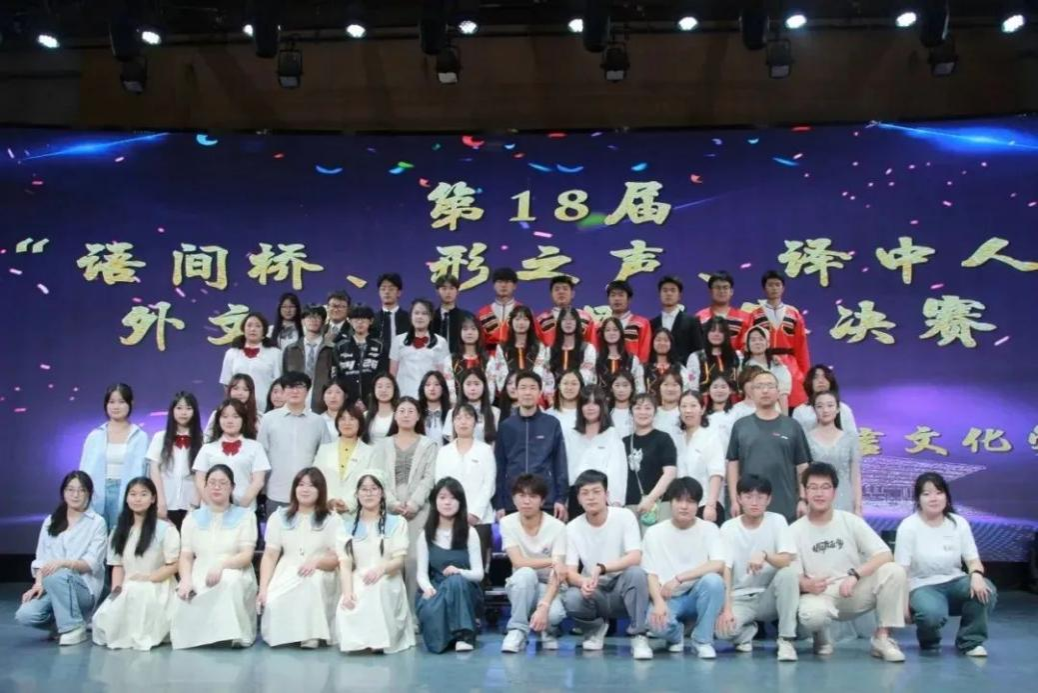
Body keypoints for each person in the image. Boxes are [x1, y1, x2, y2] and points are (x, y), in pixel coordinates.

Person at [792, 462, 907, 662]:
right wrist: (807, 584)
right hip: (820, 594)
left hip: (853, 590)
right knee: (812, 616)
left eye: (825, 487)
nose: (819, 493)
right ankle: (820, 636)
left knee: (894, 571)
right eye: (813, 487)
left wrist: (855, 575)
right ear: (805, 492)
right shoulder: (794, 530)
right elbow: (795, 576)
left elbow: (884, 554)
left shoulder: (850, 521)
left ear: (834, 492)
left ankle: (882, 638)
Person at [895, 472, 996, 657]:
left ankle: (970, 642)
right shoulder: (908, 526)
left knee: (985, 591)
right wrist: (902, 607)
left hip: (955, 581)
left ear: (946, 496)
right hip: (922, 586)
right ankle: (929, 641)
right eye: (926, 494)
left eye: (939, 492)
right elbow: (901, 570)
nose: (934, 498)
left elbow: (973, 560)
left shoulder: (959, 523)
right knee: (931, 615)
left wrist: (976, 575)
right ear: (918, 499)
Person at [562, 470, 652, 659]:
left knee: (636, 573)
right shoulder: (572, 528)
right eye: (585, 493)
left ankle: (639, 635)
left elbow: (635, 556)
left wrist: (602, 568)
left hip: (622, 587)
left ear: (607, 495)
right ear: (578, 499)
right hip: (595, 590)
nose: (591, 497)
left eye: (596, 491)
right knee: (571, 597)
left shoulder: (624, 516)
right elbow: (570, 571)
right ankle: (595, 629)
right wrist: (583, 582)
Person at [171, 465, 259, 649]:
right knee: (183, 594)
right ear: (205, 486)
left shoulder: (245, 516)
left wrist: (221, 565)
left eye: (222, 483)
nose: (216, 487)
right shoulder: (192, 518)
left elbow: (246, 555)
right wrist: (185, 579)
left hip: (234, 569)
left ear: (232, 487)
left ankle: (234, 633)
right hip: (200, 570)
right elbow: (186, 556)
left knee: (229, 581)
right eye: (212, 483)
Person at [15, 471, 107, 646]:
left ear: (89, 493)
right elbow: (41, 559)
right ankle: (66, 623)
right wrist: (38, 584)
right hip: (52, 584)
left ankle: (73, 628)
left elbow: (92, 563)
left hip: (83, 589)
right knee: (25, 615)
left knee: (59, 574)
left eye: (81, 490)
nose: (75, 495)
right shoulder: (51, 521)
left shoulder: (97, 522)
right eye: (70, 489)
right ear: (63, 492)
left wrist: (63, 563)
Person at [715, 474, 800, 661]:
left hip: (768, 597)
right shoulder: (729, 527)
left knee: (788, 574)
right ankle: (748, 632)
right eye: (748, 496)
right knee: (722, 632)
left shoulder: (777, 521)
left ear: (768, 499)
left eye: (760, 497)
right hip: (740, 598)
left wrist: (765, 555)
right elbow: (726, 569)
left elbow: (786, 560)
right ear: (739, 498)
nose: (754, 502)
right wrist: (727, 609)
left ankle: (786, 640)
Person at [92, 477, 180, 651]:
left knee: (141, 596)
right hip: (128, 584)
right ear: (126, 498)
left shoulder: (165, 529)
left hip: (157, 584)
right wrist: (116, 591)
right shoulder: (119, 530)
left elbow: (173, 564)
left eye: (143, 494)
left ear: (153, 498)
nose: (137, 499)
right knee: (103, 619)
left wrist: (149, 578)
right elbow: (117, 565)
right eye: (132, 494)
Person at [644, 477, 726, 659]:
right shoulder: (654, 532)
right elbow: (651, 573)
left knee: (714, 581)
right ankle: (677, 635)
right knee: (655, 624)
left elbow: (718, 563)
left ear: (698, 505)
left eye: (690, 501)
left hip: (697, 594)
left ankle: (702, 641)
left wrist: (680, 578)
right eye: (679, 500)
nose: (684, 506)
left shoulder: (709, 529)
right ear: (670, 503)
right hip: (668, 597)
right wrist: (658, 602)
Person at [258, 468, 340, 648]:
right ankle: (288, 634)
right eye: (301, 485)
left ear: (320, 490)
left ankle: (311, 634)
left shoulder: (332, 519)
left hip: (320, 569)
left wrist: (316, 562)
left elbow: (336, 557)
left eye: (311, 485)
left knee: (312, 583)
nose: (305, 489)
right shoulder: (278, 517)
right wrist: (263, 588)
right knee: (273, 600)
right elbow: (270, 555)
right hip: (287, 569)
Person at [336, 472, 416, 654]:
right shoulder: (346, 526)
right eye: (364, 489)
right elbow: (345, 564)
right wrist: (347, 593)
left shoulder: (397, 523)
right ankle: (359, 641)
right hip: (358, 578)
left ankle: (378, 641)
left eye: (374, 488)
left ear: (382, 493)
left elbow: (399, 560)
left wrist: (381, 569)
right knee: (350, 601)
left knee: (376, 590)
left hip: (388, 577)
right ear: (357, 494)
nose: (369, 493)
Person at [371, 397, 439, 607]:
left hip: (419, 509)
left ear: (418, 416)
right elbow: (378, 476)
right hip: (388, 508)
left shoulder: (429, 445)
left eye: (411, 411)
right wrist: (391, 503)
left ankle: (412, 612)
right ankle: (392, 612)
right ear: (395, 415)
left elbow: (429, 477)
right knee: (390, 559)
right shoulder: (383, 445)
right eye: (402, 411)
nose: (406, 415)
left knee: (413, 560)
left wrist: (414, 504)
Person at [726, 371, 811, 523]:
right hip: (749, 505)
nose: (765, 390)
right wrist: (734, 500)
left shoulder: (792, 426)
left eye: (770, 386)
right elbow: (733, 464)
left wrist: (803, 499)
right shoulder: (740, 426)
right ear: (751, 392)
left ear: (778, 392)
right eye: (759, 386)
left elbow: (802, 466)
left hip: (787, 506)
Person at [499, 474, 568, 653]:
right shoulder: (507, 523)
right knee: (525, 573)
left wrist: (544, 606)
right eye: (521, 495)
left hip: (549, 585)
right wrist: (552, 561)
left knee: (554, 614)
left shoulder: (557, 527)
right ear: (513, 499)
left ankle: (549, 630)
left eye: (533, 496)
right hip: (521, 585)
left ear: (542, 500)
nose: (526, 501)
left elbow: (558, 572)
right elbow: (518, 562)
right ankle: (517, 631)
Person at [415, 478, 485, 653]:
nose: (447, 502)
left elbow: (479, 574)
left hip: (465, 590)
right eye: (442, 497)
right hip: (437, 589)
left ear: (460, 502)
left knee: (455, 580)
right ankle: (448, 634)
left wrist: (459, 571)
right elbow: (421, 574)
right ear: (435, 501)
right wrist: (428, 589)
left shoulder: (470, 533)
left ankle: (464, 636)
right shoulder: (425, 535)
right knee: (435, 644)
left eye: (453, 498)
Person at [494, 370, 568, 519]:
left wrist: (560, 498)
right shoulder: (506, 426)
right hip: (513, 500)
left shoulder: (551, 424)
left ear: (540, 392)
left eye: (532, 388)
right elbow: (500, 466)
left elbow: (560, 463)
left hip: (545, 498)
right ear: (516, 391)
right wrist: (499, 503)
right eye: (523, 388)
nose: (527, 392)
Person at [258, 371, 333, 516]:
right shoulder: (268, 419)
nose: (294, 391)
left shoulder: (318, 422)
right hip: (277, 491)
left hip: (310, 493)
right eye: (289, 387)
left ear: (308, 390)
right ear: (283, 391)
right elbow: (262, 455)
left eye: (300, 386)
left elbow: (325, 457)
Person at [79, 383, 149, 529]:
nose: (116, 406)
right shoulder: (95, 435)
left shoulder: (140, 437)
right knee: (96, 534)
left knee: (122, 535)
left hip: (128, 494)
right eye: (111, 402)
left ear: (131, 403)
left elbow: (145, 472)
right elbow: (84, 469)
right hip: (98, 492)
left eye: (121, 402)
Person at [435, 404, 497, 570]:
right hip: (450, 518)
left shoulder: (485, 450)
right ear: (453, 422)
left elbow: (489, 484)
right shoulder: (444, 452)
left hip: (480, 519)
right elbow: (440, 485)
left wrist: (475, 513)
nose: (463, 422)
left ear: (475, 422)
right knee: (453, 566)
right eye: (458, 418)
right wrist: (452, 512)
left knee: (478, 568)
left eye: (468, 417)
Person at [739, 270, 810, 409]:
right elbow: (746, 344)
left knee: (793, 406)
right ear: (764, 288)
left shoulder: (794, 315)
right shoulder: (755, 315)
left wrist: (805, 375)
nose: (774, 288)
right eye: (770, 285)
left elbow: (802, 347)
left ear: (783, 288)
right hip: (762, 364)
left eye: (778, 285)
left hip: (790, 366)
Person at [192, 398, 269, 511]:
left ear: (243, 419)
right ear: (218, 420)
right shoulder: (207, 448)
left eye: (235, 416)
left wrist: (239, 508)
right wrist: (213, 506)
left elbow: (258, 482)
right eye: (224, 416)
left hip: (244, 510)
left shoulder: (256, 447)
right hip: (211, 511)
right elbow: (200, 481)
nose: (229, 421)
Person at [564, 386, 628, 517]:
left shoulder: (611, 434)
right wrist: (564, 501)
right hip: (576, 496)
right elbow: (566, 469)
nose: (590, 408)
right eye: (586, 403)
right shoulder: (572, 434)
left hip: (603, 496)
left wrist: (616, 502)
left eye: (595, 403)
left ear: (602, 406)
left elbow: (618, 470)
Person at [147, 391, 203, 529]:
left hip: (192, 504)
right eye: (179, 408)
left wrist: (194, 505)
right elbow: (154, 470)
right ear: (172, 411)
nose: (183, 412)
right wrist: (160, 501)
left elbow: (203, 474)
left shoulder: (203, 440)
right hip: (165, 502)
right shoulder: (159, 437)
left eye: (188, 408)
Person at [623, 394, 678, 532]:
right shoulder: (624, 442)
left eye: (648, 408)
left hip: (658, 505)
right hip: (630, 506)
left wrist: (650, 499)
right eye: (638, 408)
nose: (643, 412)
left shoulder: (663, 439)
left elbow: (670, 473)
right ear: (631, 412)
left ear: (655, 412)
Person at [806, 392, 862, 515]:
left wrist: (858, 507)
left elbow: (855, 475)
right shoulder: (806, 438)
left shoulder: (851, 438)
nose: (825, 410)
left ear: (837, 409)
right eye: (820, 406)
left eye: (830, 405)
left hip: (844, 499)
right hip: (816, 499)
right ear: (814, 410)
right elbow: (803, 474)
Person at [313, 403, 376, 514]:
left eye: (352, 419)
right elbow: (316, 479)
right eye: (342, 419)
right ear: (337, 423)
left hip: (357, 513)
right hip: (327, 511)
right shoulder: (324, 450)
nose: (347, 423)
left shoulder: (370, 452)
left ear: (360, 423)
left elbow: (371, 484)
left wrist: (348, 504)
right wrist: (330, 501)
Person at [390, 299, 454, 400]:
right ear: (411, 316)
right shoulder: (398, 340)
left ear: (431, 317)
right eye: (416, 313)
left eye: (424, 313)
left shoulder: (440, 342)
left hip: (430, 398)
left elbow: (444, 374)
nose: (420, 317)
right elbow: (392, 373)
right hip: (404, 397)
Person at [219, 311, 282, 413]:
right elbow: (226, 383)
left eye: (258, 326)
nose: (253, 329)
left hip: (265, 408)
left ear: (264, 331)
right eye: (249, 325)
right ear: (243, 329)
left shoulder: (275, 353)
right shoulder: (231, 353)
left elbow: (278, 384)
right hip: (238, 409)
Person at [677, 391, 725, 523]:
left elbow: (716, 473)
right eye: (684, 406)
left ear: (702, 409)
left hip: (705, 505)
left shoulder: (710, 437)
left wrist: (711, 505)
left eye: (693, 406)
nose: (688, 410)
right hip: (683, 506)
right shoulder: (678, 438)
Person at [487, 305, 552, 398]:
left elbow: (541, 372)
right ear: (511, 322)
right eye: (517, 319)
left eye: (525, 319)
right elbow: (501, 375)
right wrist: (512, 393)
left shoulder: (538, 347)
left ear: (531, 323)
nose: (521, 323)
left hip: (533, 395)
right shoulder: (502, 347)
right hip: (509, 396)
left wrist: (530, 392)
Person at [334, 304, 389, 407]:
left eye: (363, 319)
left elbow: (383, 374)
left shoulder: (380, 345)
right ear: (349, 321)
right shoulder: (340, 346)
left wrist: (372, 398)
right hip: (347, 401)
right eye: (356, 319)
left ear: (371, 321)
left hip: (374, 400)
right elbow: (336, 376)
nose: (359, 322)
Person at [282, 304, 334, 410]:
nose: (313, 320)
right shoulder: (291, 349)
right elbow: (284, 377)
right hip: (295, 399)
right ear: (302, 321)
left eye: (317, 317)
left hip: (322, 401)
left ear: (323, 321)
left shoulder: (331, 349)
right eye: (309, 317)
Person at [651, 275, 705, 366]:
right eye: (665, 290)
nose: (669, 294)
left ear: (679, 295)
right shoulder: (652, 323)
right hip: (658, 371)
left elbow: (698, 351)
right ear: (659, 294)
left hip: (686, 371)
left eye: (673, 290)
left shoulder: (692, 321)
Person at [792, 365, 859, 436]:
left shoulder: (843, 408)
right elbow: (796, 438)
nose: (821, 381)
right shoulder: (800, 411)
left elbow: (853, 436)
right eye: (816, 377)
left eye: (825, 377)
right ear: (810, 382)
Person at [534, 275, 597, 346]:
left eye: (565, 289)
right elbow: (535, 346)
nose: (561, 292)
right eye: (557, 289)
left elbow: (593, 344)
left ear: (572, 294)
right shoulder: (541, 320)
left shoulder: (585, 318)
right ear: (551, 294)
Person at [743, 324, 793, 413]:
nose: (757, 342)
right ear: (747, 345)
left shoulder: (778, 366)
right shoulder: (742, 366)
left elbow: (783, 396)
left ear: (767, 344)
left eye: (761, 339)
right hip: (749, 410)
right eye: (753, 340)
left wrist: (785, 418)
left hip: (774, 411)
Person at [695, 271, 750, 350]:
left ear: (731, 291)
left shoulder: (745, 318)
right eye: (717, 287)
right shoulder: (699, 318)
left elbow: (748, 346)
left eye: (725, 287)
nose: (721, 291)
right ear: (710, 291)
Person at [443, 368, 499, 444]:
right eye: (468, 384)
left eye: (477, 384)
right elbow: (451, 443)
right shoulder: (452, 413)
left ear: (484, 386)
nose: (472, 388)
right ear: (462, 387)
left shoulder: (495, 412)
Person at [545, 306, 597, 386]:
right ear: (559, 323)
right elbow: (546, 377)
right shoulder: (550, 350)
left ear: (577, 322)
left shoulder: (587, 349)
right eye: (564, 319)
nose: (568, 322)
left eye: (572, 319)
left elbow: (589, 377)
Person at [205, 373, 262, 442]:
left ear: (251, 393)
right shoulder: (217, 413)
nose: (240, 393)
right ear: (229, 390)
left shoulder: (258, 416)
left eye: (245, 389)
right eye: (236, 388)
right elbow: (207, 437)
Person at [605, 279, 652, 364]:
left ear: (629, 299)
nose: (616, 299)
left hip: (633, 369)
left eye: (621, 295)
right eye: (613, 295)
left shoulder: (641, 324)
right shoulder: (601, 326)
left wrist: (639, 369)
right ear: (608, 299)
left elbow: (645, 353)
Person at [595, 317, 646, 394]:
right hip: (602, 400)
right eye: (607, 330)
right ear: (603, 334)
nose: (611, 333)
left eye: (615, 330)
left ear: (621, 332)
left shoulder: (631, 359)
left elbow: (639, 387)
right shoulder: (596, 358)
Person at [476, 266, 521, 354]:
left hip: (516, 356)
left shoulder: (523, 311)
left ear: (515, 286)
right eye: (499, 282)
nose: (503, 285)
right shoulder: (482, 313)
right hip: (489, 358)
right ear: (494, 285)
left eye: (507, 282)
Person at [695, 315, 742, 392]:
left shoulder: (737, 356)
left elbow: (741, 384)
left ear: (726, 334)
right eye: (712, 331)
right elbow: (693, 388)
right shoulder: (696, 357)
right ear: (707, 333)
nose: (716, 334)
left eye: (721, 331)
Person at [431, 275, 473, 356]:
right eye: (444, 288)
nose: (448, 292)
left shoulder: (467, 318)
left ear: (457, 292)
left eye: (451, 288)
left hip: (459, 360)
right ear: (437, 291)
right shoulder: (430, 318)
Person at [646, 328, 694, 394]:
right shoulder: (645, 369)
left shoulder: (680, 369)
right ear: (652, 343)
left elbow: (686, 389)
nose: (662, 343)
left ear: (671, 343)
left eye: (666, 340)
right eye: (658, 340)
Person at [450, 314, 490, 385]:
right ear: (459, 332)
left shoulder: (488, 361)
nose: (469, 332)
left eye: (473, 329)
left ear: (479, 332)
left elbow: (491, 386)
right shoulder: (451, 360)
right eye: (465, 329)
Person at [705, 372, 738, 454]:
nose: (719, 390)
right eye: (715, 387)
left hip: (730, 459)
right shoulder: (702, 415)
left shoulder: (737, 413)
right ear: (708, 390)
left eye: (723, 387)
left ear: (730, 390)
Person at [651, 367, 685, 446]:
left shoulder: (685, 412)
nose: (670, 389)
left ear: (681, 388)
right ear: (659, 388)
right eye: (666, 384)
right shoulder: (652, 412)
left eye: (675, 385)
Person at [374, 273, 410, 346]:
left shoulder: (409, 318)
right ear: (379, 293)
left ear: (399, 293)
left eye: (391, 289)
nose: (387, 292)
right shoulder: (373, 320)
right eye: (383, 289)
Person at [418, 370, 451, 446]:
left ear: (443, 388)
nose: (432, 388)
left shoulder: (450, 413)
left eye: (436, 384)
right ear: (423, 388)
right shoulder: (416, 412)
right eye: (428, 385)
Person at [365, 373, 399, 445]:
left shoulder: (399, 415)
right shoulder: (365, 415)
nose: (384, 390)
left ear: (394, 389)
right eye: (379, 386)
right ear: (374, 390)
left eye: (388, 386)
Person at [608, 370, 636, 439]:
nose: (621, 390)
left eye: (625, 385)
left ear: (632, 388)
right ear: (611, 389)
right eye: (617, 385)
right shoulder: (606, 412)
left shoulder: (638, 411)